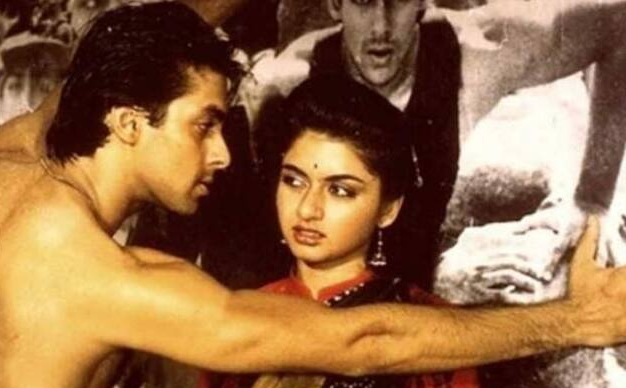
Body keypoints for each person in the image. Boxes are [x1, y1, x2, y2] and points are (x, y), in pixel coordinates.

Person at [0, 3, 626, 388]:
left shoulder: (0, 169)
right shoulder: (101, 276)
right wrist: (577, 319)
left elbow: (115, 61)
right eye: (203, 124)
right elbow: (362, 340)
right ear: (129, 123)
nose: (223, 153)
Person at [183, 75, 501, 388]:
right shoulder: (242, 315)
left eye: (341, 190)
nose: (308, 209)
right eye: (294, 181)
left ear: (388, 208)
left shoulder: (428, 333)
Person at [241, 0, 626, 290]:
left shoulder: (476, 56)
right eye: (363, 1)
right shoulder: (286, 87)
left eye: (398, 1)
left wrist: (592, 202)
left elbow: (618, 22)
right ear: (334, 5)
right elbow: (278, 258)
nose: (381, 27)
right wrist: (439, 281)